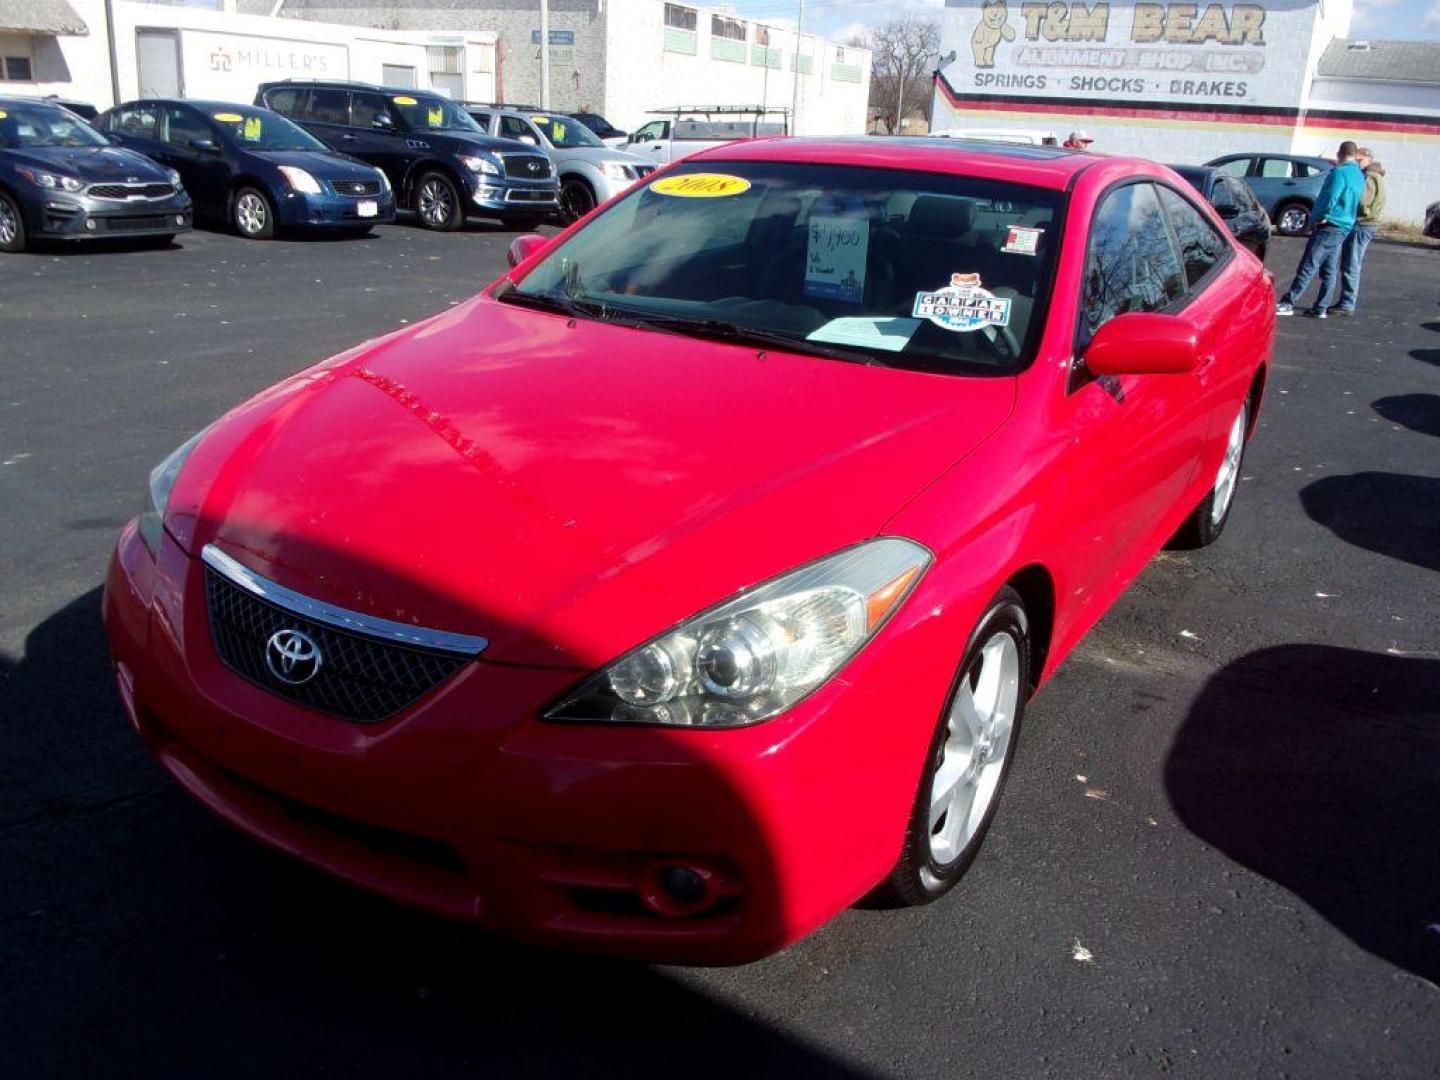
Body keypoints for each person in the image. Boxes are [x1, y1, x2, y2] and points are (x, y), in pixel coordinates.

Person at [1276, 141, 1365, 318]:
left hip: (1330, 223)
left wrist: (1318, 216)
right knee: (1329, 268)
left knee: (1309, 264)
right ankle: (1321, 307)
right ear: (1355, 155)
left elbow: (1330, 196)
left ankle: (1288, 302)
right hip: (1344, 225)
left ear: (1340, 153)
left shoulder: (1339, 173)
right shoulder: (1359, 175)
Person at [1331, 149, 1385, 315]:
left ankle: (1347, 304)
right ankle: (1345, 301)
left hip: (1363, 224)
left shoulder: (1369, 177)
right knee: (1350, 262)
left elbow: (1362, 201)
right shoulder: (1373, 175)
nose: (1356, 163)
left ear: (1368, 159)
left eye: (1359, 160)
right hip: (1366, 224)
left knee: (1351, 264)